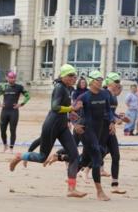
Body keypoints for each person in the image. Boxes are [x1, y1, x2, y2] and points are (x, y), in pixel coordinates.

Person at [9, 64, 86, 198]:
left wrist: (72, 115)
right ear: (64, 76)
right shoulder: (59, 88)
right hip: (51, 125)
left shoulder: (68, 88)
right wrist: (72, 109)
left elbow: (65, 107)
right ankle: (20, 156)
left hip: (62, 126)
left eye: (75, 76)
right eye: (71, 76)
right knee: (42, 157)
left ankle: (71, 189)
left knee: (74, 155)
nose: (74, 78)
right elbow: (55, 107)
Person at [74, 71, 114, 201]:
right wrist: (75, 124)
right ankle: (99, 191)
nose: (100, 81)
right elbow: (72, 112)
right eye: (98, 79)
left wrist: (112, 122)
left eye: (102, 79)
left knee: (85, 159)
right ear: (91, 81)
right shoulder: (84, 97)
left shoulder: (105, 94)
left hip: (99, 129)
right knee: (97, 156)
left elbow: (108, 111)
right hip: (86, 130)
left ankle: (64, 165)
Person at [0, 71, 30, 153]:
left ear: (15, 78)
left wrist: (21, 104)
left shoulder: (19, 87)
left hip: (14, 112)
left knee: (12, 130)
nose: (12, 79)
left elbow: (28, 96)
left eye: (13, 78)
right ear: (7, 78)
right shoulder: (3, 86)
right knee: (2, 130)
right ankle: (5, 146)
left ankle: (11, 148)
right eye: (10, 78)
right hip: (4, 111)